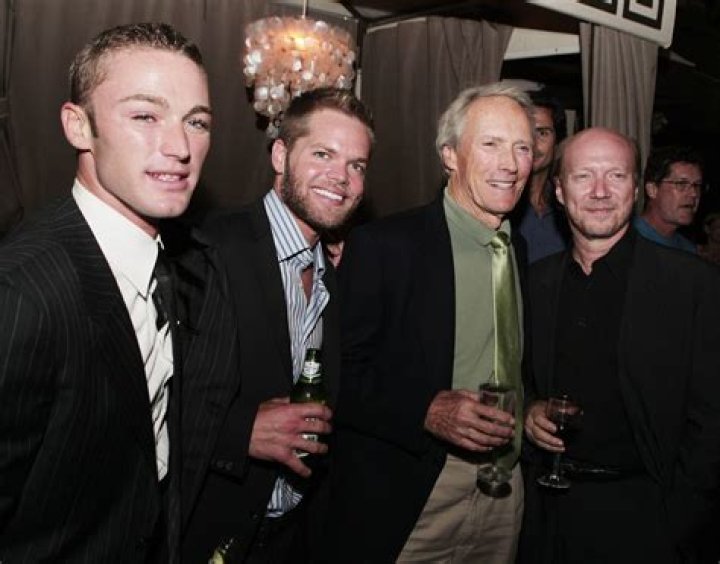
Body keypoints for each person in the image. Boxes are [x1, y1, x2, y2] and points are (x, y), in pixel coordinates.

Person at [0, 22, 238, 561]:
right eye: (145, 116)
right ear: (78, 126)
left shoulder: (175, 262)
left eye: (196, 122)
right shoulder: (22, 294)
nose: (179, 147)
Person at [324, 83, 534, 563]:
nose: (510, 163)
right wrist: (426, 409)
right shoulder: (386, 245)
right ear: (450, 155)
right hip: (415, 487)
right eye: (491, 144)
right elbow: (338, 372)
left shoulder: (517, 251)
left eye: (522, 148)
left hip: (504, 488)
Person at [182, 87, 374, 563]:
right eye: (323, 154)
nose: (342, 177)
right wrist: (237, 431)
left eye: (356, 165)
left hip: (292, 534)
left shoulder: (334, 270)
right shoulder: (209, 248)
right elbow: (147, 393)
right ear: (280, 155)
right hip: (209, 531)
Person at [520, 128, 720, 563]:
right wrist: (529, 409)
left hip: (646, 518)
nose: (600, 191)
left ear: (636, 187)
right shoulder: (535, 282)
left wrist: (678, 522)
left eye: (616, 175)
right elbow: (518, 379)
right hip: (547, 515)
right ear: (559, 190)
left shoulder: (693, 285)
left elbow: (711, 420)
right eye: (583, 176)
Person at [514, 90, 569, 263]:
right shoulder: (496, 203)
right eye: (523, 131)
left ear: (557, 142)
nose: (532, 142)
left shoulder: (569, 203)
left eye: (542, 133)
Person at [634, 145, 705, 253]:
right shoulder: (625, 241)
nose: (693, 194)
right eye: (681, 184)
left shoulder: (688, 250)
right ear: (652, 190)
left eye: (697, 185)